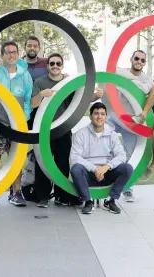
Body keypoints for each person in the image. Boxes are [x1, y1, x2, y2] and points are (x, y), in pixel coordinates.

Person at [30, 53, 104, 208]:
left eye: (58, 63)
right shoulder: (40, 82)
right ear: (48, 66)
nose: (55, 66)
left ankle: (61, 196)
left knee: (62, 161)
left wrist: (96, 96)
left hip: (63, 128)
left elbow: (82, 98)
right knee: (41, 161)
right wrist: (42, 95)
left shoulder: (69, 81)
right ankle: (42, 196)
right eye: (52, 63)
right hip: (44, 128)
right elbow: (32, 104)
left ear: (62, 65)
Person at [0, 41, 33, 208]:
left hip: (17, 125)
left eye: (14, 52)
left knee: (16, 160)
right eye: (8, 52)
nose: (12, 55)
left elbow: (28, 100)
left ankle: (16, 193)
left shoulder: (24, 75)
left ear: (18, 54)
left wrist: (23, 119)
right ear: (2, 56)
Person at [107, 50, 154, 203]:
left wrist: (129, 80)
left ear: (145, 63)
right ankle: (102, 179)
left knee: (131, 153)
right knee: (102, 142)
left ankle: (128, 187)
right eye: (136, 58)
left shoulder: (147, 79)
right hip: (116, 116)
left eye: (142, 60)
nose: (139, 62)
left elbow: (144, 89)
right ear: (131, 59)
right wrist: (132, 80)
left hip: (132, 122)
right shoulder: (121, 72)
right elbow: (112, 72)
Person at [70, 102, 133, 214]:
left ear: (106, 116)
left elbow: (121, 155)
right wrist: (95, 169)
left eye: (102, 114)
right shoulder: (81, 134)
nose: (99, 117)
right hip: (89, 173)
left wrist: (106, 167)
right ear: (90, 116)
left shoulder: (112, 134)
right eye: (96, 113)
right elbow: (75, 157)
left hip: (107, 172)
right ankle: (88, 201)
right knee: (76, 169)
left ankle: (110, 200)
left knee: (127, 168)